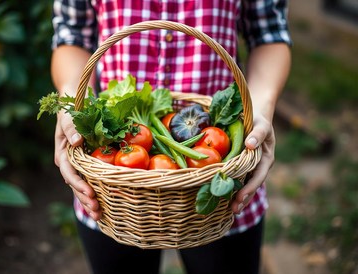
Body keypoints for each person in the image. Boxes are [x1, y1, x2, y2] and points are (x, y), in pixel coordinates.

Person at [50, 1, 291, 273]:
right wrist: (72, 103)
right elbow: (71, 35)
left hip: (222, 180)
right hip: (113, 189)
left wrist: (260, 109)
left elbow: (269, 33)